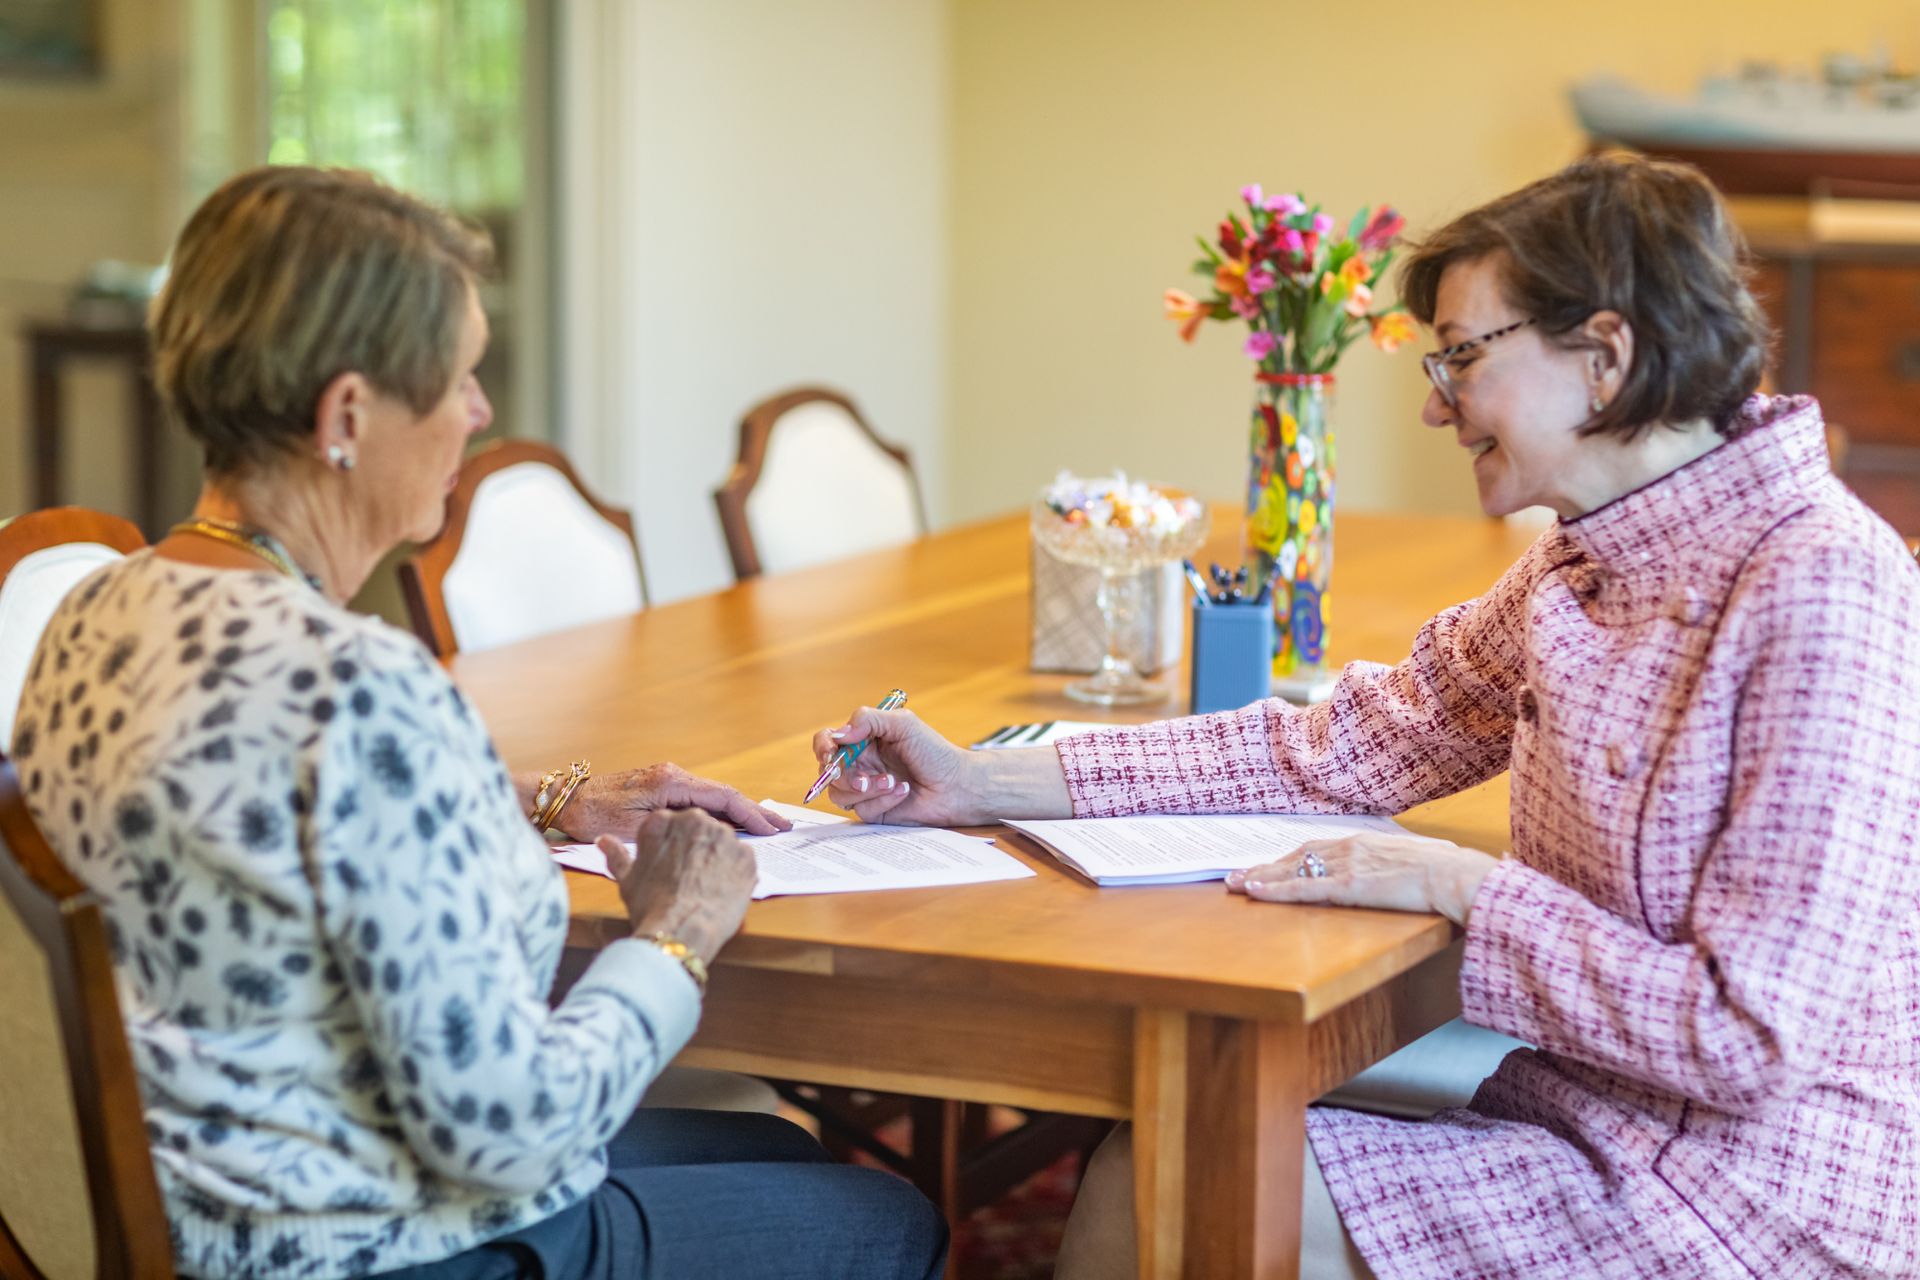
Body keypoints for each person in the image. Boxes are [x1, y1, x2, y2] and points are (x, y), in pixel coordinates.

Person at [810, 154, 1920, 1279]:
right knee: (1161, 1158)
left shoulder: (1820, 584)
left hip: (1758, 1189)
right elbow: (1341, 741)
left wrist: (1463, 886)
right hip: (1591, 1109)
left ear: (1605, 356)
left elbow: (1745, 1039)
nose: (1436, 402)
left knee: (1166, 1175)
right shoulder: (1577, 565)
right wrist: (983, 783)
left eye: (1462, 357)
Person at [9, 165, 946, 1280]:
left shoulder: (90, 613)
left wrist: (553, 798)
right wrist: (679, 931)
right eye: (458, 376)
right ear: (348, 414)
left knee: (778, 1146)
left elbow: (260, 806)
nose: (481, 409)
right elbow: (514, 1129)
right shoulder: (362, 685)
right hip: (390, 1243)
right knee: (895, 1221)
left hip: (204, 1210)